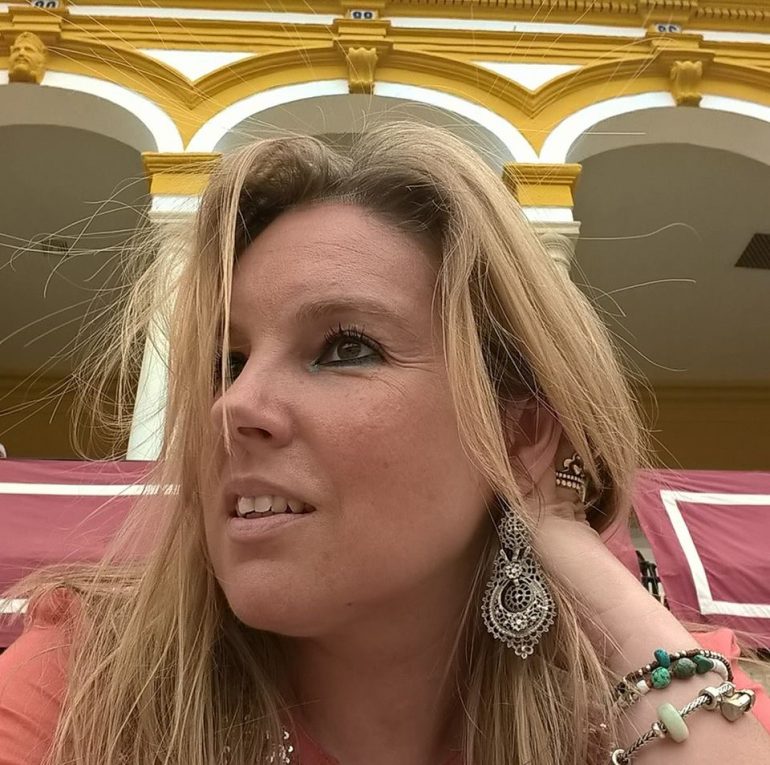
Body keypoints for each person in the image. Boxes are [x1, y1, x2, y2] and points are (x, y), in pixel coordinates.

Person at [0, 122, 768, 765]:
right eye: (226, 361)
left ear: (521, 431)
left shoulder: (667, 688)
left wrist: (572, 549)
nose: (233, 405)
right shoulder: (86, 685)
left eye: (345, 347)